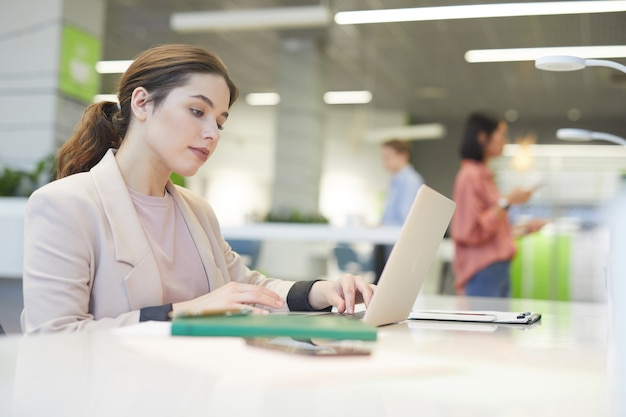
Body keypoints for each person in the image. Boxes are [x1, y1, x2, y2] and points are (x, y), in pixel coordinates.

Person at [21, 44, 374, 334]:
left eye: (219, 122)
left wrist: (320, 292)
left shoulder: (196, 210)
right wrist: (186, 312)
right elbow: (53, 335)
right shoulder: (65, 205)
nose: (212, 133)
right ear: (142, 103)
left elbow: (247, 286)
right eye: (196, 111)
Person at [452, 112, 546, 297]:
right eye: (501, 135)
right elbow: (469, 231)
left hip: (496, 270)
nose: (505, 141)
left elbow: (491, 231)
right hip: (483, 271)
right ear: (482, 137)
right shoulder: (470, 176)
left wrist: (525, 229)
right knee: (486, 326)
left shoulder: (485, 176)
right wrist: (507, 202)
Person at [373, 139, 424, 284]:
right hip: (388, 242)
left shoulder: (411, 181)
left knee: (392, 284)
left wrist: (384, 225)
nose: (385, 162)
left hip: (398, 244)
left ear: (403, 156)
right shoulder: (395, 180)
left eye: (388, 157)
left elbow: (406, 218)